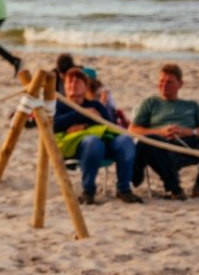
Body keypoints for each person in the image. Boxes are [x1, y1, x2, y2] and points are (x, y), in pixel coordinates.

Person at [129, 64, 199, 200]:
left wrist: (189, 131)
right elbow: (133, 130)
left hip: (189, 145)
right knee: (149, 141)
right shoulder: (150, 103)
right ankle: (174, 189)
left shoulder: (191, 105)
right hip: (162, 145)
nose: (164, 85)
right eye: (161, 81)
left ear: (180, 84)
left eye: (169, 82)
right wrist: (160, 132)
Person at [53, 69, 141, 205]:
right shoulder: (60, 106)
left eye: (78, 80)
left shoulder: (95, 105)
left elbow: (108, 126)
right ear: (64, 86)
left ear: (85, 86)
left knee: (125, 141)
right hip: (77, 146)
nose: (73, 83)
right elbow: (55, 125)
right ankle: (88, 190)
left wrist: (82, 126)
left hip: (104, 143)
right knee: (93, 142)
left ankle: (124, 189)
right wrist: (84, 114)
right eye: (70, 80)